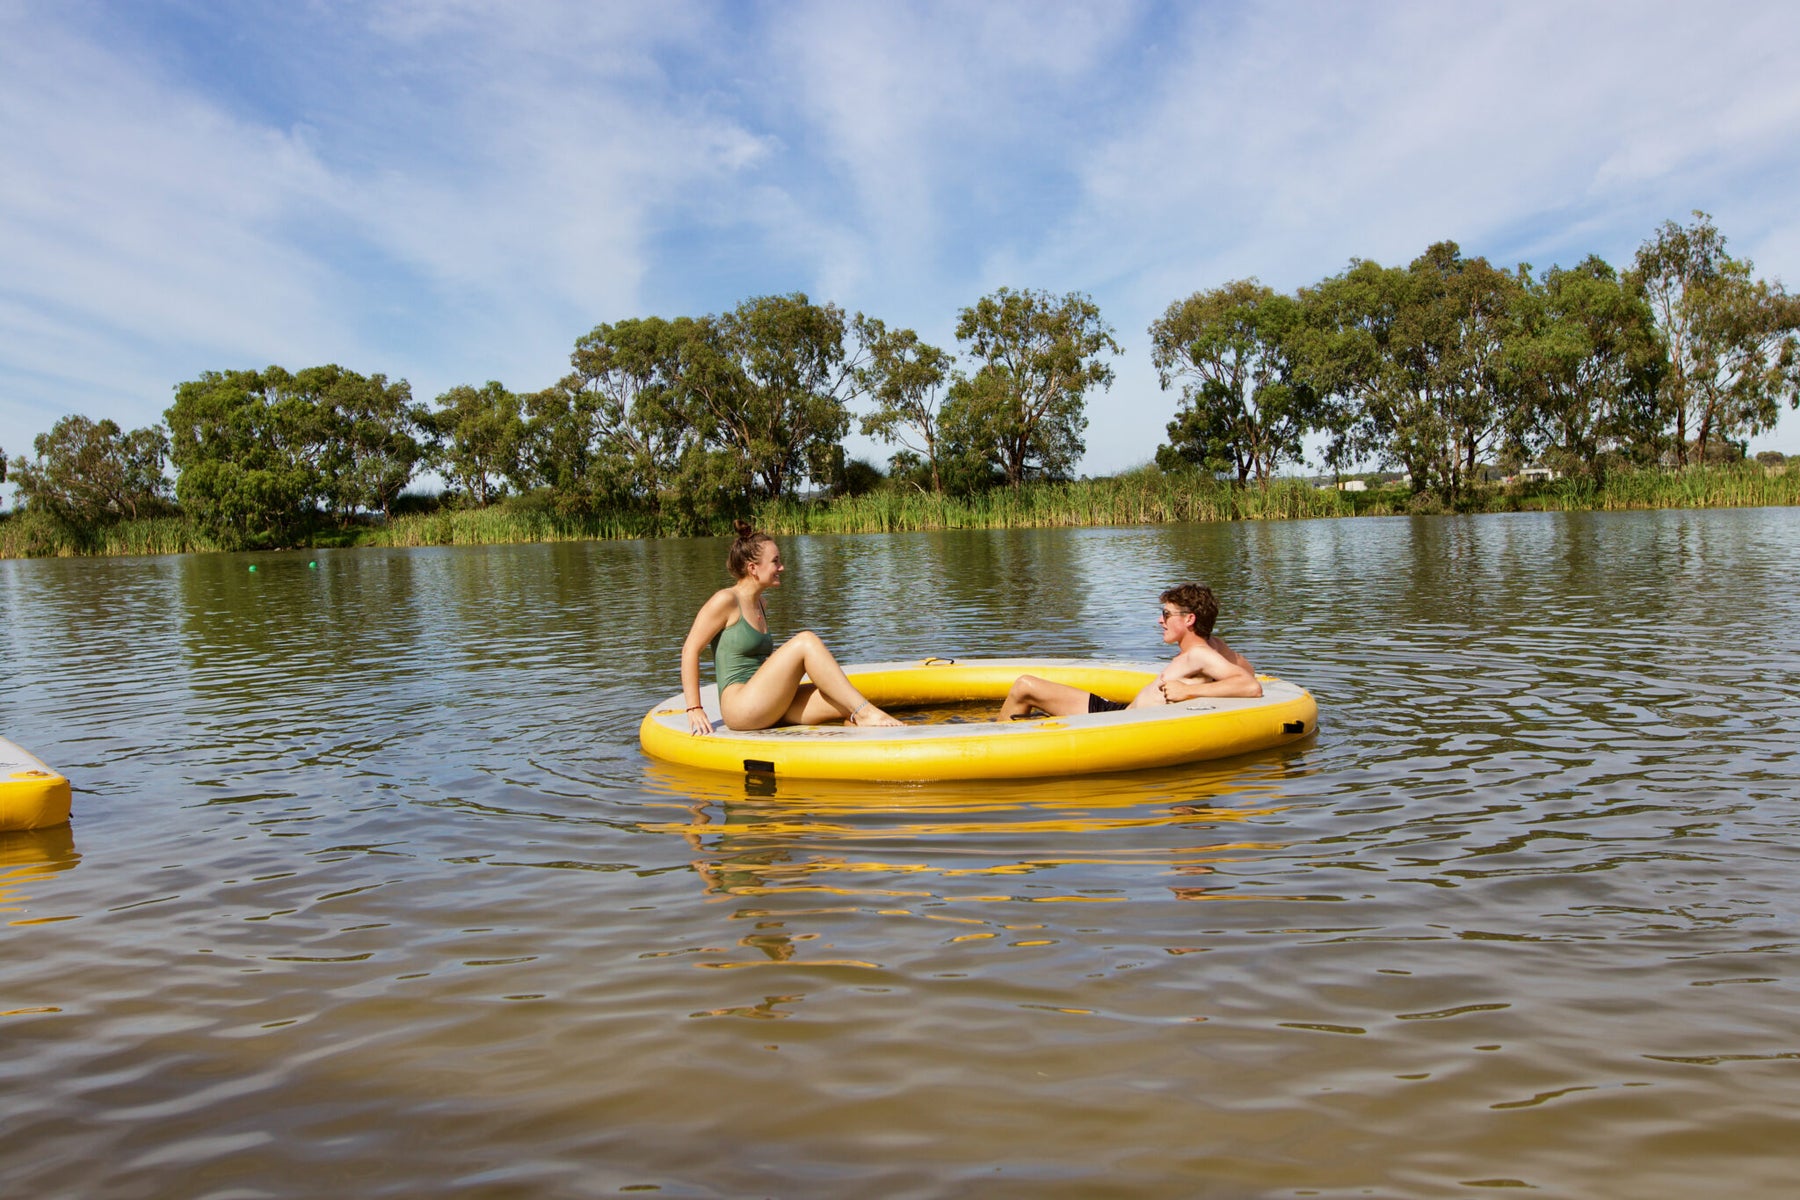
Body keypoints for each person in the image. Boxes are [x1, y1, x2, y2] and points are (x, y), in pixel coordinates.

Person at [681, 520, 902, 735]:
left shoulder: (761, 603)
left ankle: (864, 738)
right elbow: (690, 649)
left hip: (767, 701)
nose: (781, 567)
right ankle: (868, 714)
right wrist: (694, 708)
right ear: (753, 568)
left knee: (845, 702)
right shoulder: (725, 600)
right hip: (741, 708)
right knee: (806, 641)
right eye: (775, 561)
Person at [999, 584, 1262, 719]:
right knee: (1026, 686)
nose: (1160, 620)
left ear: (1189, 619)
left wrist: (1190, 691)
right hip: (1119, 711)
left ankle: (998, 742)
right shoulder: (1215, 646)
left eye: (1166, 614)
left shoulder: (1200, 654)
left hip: (1119, 724)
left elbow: (1251, 686)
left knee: (1024, 686)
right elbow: (1246, 670)